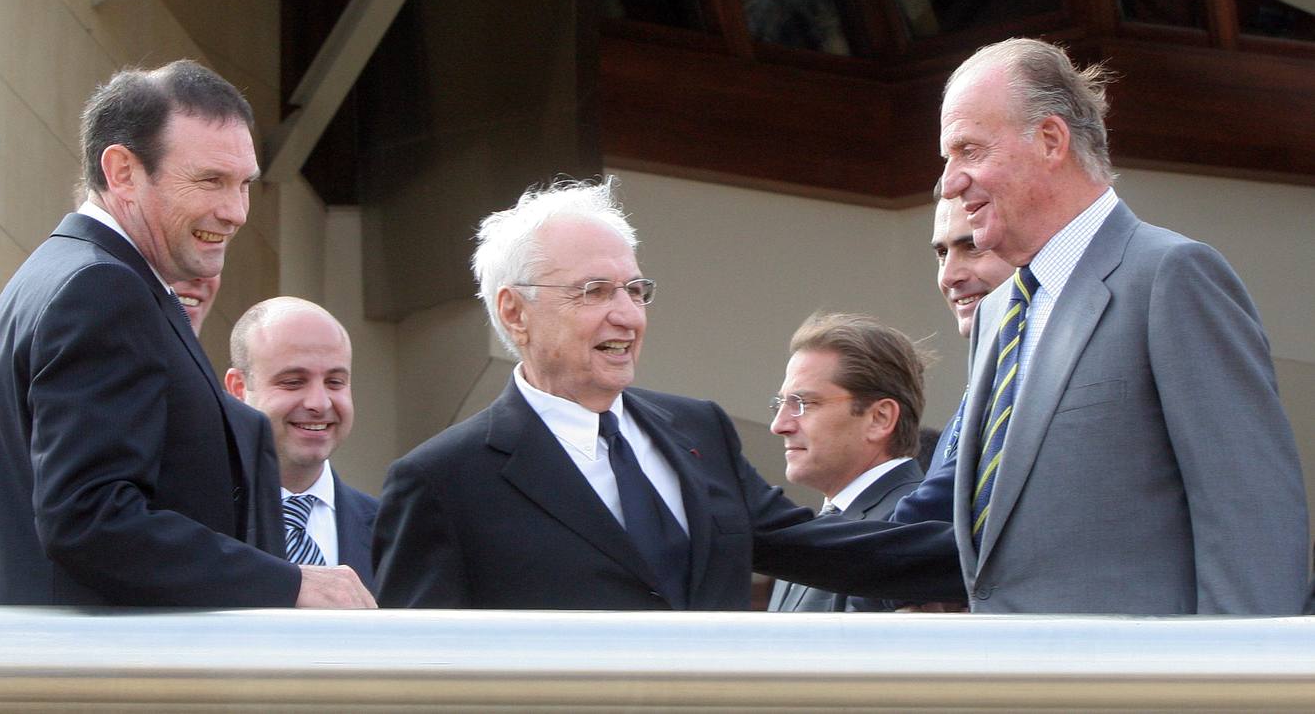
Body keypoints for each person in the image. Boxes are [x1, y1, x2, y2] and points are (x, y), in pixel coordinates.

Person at [372, 179, 963, 610]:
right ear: (514, 310)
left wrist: (1006, 558)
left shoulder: (698, 430)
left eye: (635, 290)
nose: (627, 316)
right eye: (595, 292)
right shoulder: (442, 482)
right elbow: (418, 676)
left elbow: (821, 548)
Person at [0, 60, 373, 608]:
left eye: (244, 185)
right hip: (96, 679)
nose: (234, 212)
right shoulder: (101, 290)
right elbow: (89, 518)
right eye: (210, 181)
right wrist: (289, 582)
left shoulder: (65, 273)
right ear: (123, 172)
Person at [938, 37, 1307, 614]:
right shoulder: (994, 314)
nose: (949, 181)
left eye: (969, 151)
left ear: (1051, 140)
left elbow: (1251, 515)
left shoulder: (1170, 277)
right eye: (947, 159)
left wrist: (1238, 688)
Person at [0, 277, 226, 604]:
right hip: (39, 646)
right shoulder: (6, 388)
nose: (198, 275)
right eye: (169, 265)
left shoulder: (242, 422)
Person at [767, 313, 927, 612]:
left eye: (803, 404)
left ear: (880, 418)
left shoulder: (908, 525)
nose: (779, 425)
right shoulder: (816, 526)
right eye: (780, 404)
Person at [226, 297, 380, 590]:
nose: (319, 404)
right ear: (238, 389)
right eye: (293, 382)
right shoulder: (195, 525)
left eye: (335, 382)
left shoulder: (392, 530)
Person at [889, 193, 1015, 526]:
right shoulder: (978, 399)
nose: (949, 276)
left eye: (972, 246)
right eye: (942, 253)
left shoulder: (1057, 378)